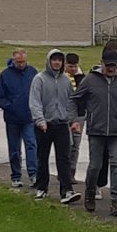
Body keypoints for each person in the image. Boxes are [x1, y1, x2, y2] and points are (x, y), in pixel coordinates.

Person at [73, 46, 117, 216]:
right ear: (102, 63)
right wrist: (76, 118)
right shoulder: (90, 80)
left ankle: (115, 201)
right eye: (108, 65)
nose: (111, 69)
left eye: (114, 65)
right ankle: (90, 193)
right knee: (95, 166)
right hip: (96, 130)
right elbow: (75, 99)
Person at [30, 48, 81, 204]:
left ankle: (66, 190)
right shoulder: (39, 79)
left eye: (59, 60)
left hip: (62, 124)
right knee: (42, 157)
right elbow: (35, 102)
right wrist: (40, 120)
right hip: (44, 124)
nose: (57, 62)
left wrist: (73, 120)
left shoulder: (66, 80)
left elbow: (70, 102)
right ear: (49, 61)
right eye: (54, 59)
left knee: (64, 158)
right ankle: (41, 188)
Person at [0, 48, 38, 189]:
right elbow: (0, 97)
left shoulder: (32, 72)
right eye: (18, 62)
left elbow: (38, 92)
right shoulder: (5, 75)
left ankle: (33, 174)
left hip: (29, 117)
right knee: (14, 148)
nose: (21, 64)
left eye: (23, 61)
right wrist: (10, 107)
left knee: (31, 145)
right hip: (12, 119)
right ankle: (16, 176)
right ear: (13, 61)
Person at [65, 52, 85, 183]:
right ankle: (64, 170)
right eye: (70, 66)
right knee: (67, 144)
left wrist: (79, 76)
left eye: (75, 66)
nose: (73, 69)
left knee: (75, 145)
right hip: (65, 115)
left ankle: (72, 171)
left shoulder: (81, 79)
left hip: (79, 115)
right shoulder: (62, 78)